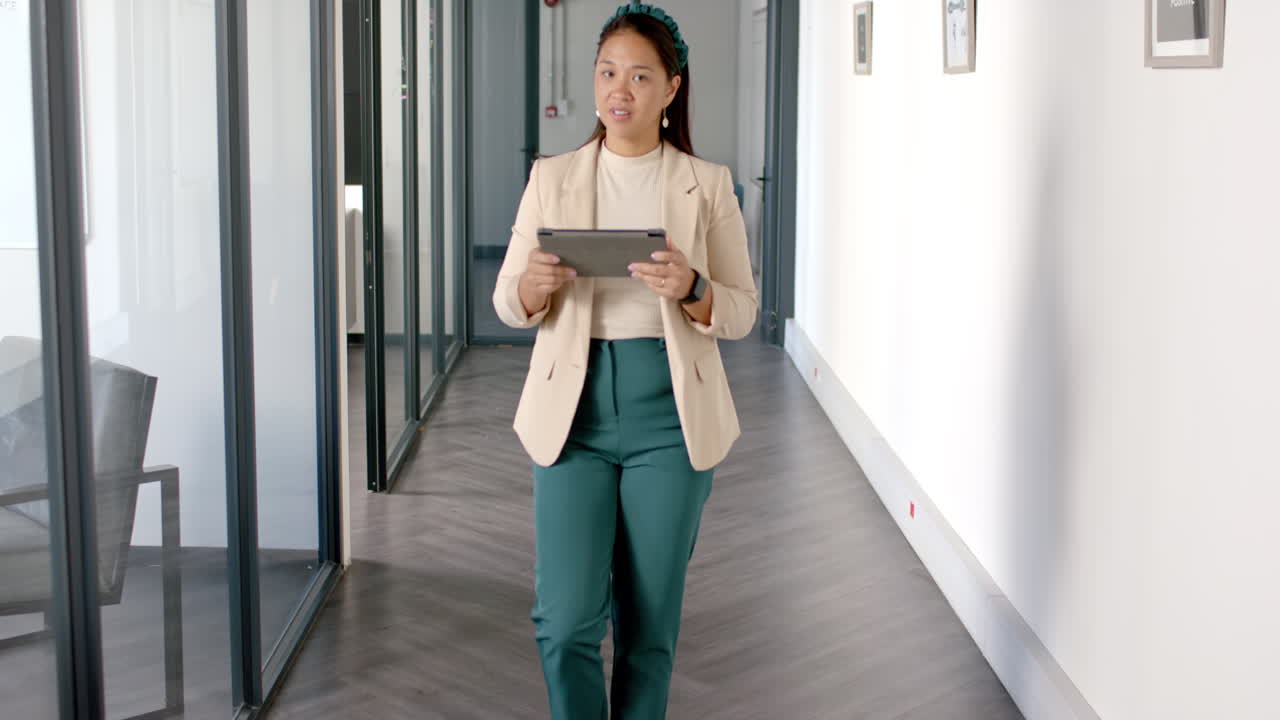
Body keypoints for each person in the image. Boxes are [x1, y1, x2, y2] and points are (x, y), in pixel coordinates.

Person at [492, 3, 758, 717]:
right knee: (565, 619)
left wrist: (694, 289)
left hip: (670, 418)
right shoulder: (553, 177)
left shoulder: (707, 185)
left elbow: (742, 310)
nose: (621, 90)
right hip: (571, 416)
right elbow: (506, 301)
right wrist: (532, 287)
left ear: (672, 89)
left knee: (647, 630)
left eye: (640, 76)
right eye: (609, 72)